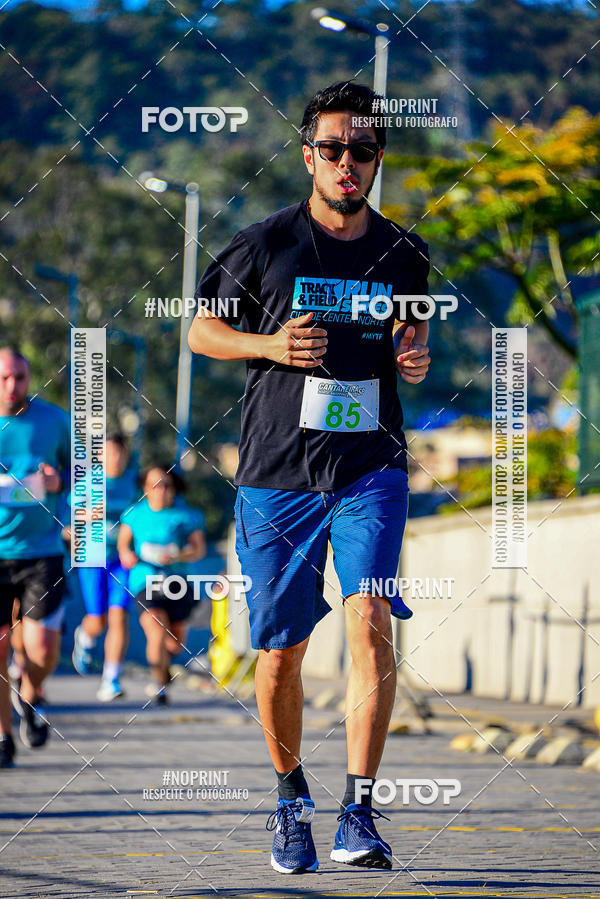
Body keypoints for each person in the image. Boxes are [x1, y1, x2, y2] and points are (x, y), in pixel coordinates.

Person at [188, 82, 432, 873]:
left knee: (369, 621)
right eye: (333, 149)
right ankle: (292, 800)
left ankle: (359, 811)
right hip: (279, 473)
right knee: (283, 651)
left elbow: (410, 337)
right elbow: (200, 330)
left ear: (377, 158)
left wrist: (411, 356)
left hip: (370, 467)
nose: (348, 163)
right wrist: (264, 347)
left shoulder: (402, 251)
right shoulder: (266, 245)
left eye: (363, 150)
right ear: (308, 156)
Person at [0, 347, 70, 767]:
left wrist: (60, 480)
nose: (13, 387)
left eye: (20, 378)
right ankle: (3, 736)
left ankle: (30, 692)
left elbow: (85, 471)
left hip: (41, 550)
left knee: (41, 649)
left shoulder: (54, 420)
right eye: (5, 378)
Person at [117, 464, 206, 705]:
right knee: (156, 630)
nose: (160, 490)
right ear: (145, 488)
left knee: (174, 644)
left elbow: (198, 549)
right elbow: (124, 544)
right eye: (154, 485)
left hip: (177, 583)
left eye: (166, 484)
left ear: (174, 488)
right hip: (146, 582)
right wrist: (127, 554)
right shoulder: (134, 514)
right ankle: (159, 686)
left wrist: (178, 556)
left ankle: (163, 669)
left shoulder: (185, 515)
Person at [71, 433, 138, 701]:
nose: (115, 458)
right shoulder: (88, 482)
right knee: (98, 621)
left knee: (119, 616)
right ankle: (84, 636)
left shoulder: (134, 483)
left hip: (123, 560)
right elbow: (70, 517)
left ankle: (111, 679)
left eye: (119, 452)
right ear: (100, 456)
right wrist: (89, 514)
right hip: (92, 556)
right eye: (109, 452)